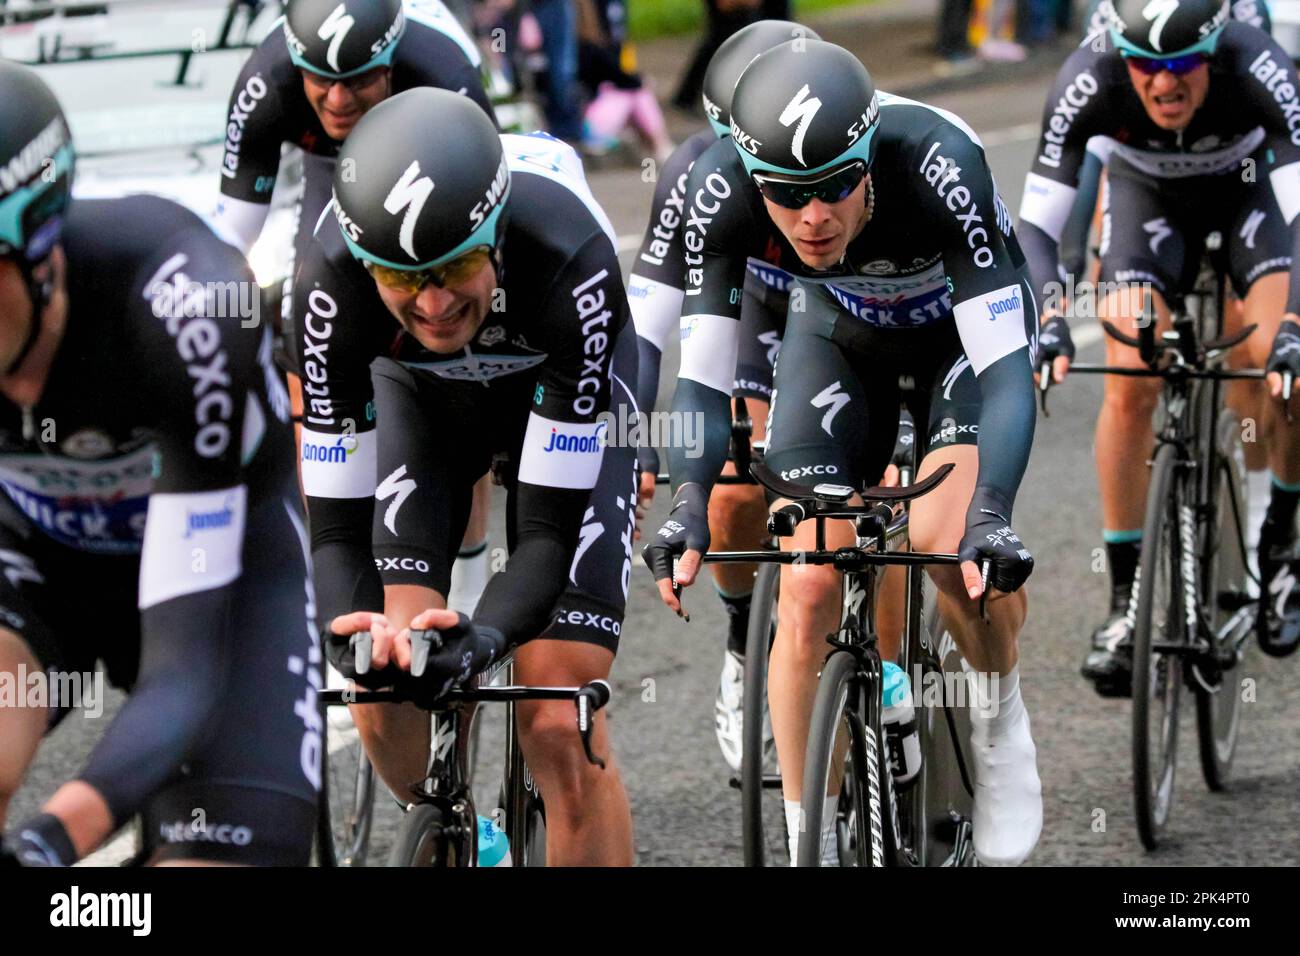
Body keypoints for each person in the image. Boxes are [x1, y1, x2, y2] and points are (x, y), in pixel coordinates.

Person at [644, 40, 1043, 866]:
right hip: (840, 335)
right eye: (789, 198)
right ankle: (809, 843)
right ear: (756, 181)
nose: (814, 216)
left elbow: (1008, 375)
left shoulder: (939, 161)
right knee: (810, 579)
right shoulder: (718, 190)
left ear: (868, 162)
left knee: (944, 546)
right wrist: (687, 504)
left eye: (835, 187)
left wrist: (992, 515)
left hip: (956, 346)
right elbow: (704, 382)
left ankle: (1000, 720)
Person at [297, 88, 637, 865]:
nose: (435, 302)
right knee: (384, 689)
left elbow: (548, 537)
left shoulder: (567, 260)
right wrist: (358, 639)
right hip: (423, 401)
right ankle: (463, 834)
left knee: (557, 715)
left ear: (496, 234)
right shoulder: (328, 289)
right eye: (402, 278)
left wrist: (484, 641)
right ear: (363, 261)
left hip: (556, 388)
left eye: (456, 265)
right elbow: (336, 534)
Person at [0, 62, 316, 866]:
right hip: (40, 564)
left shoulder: (187, 315)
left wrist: (48, 841)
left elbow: (182, 675)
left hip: (224, 582)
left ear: (38, 244)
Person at [1021, 0, 1300, 691]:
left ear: (1213, 51)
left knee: (1281, 367)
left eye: (1181, 66)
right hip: (1145, 201)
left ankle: (1283, 542)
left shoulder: (1257, 61)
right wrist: (1050, 315)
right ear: (1122, 58)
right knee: (1129, 381)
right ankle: (1126, 600)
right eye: (1146, 67)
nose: (1164, 85)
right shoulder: (1088, 75)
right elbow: (1039, 226)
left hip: (1248, 195)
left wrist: (1293, 326)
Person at [211, 0, 498, 616]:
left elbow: (493, 205)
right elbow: (231, 238)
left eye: (359, 77)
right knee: (308, 329)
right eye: (322, 79)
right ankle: (347, 601)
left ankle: (470, 566)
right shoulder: (267, 80)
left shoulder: (442, 68)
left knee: (459, 356)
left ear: (391, 59)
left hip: (437, 165)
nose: (339, 99)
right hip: (334, 172)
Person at [630, 18, 818, 772]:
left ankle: (892, 673)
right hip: (753, 301)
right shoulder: (695, 177)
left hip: (850, 300)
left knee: (871, 493)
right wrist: (634, 432)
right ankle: (745, 642)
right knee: (734, 485)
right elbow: (647, 326)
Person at [577, 0, 674, 164]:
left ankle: (656, 145)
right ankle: (659, 144)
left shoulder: (583, 46)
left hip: (591, 117)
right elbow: (623, 78)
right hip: (590, 127)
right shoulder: (589, 48)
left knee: (633, 89)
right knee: (637, 91)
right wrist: (640, 80)